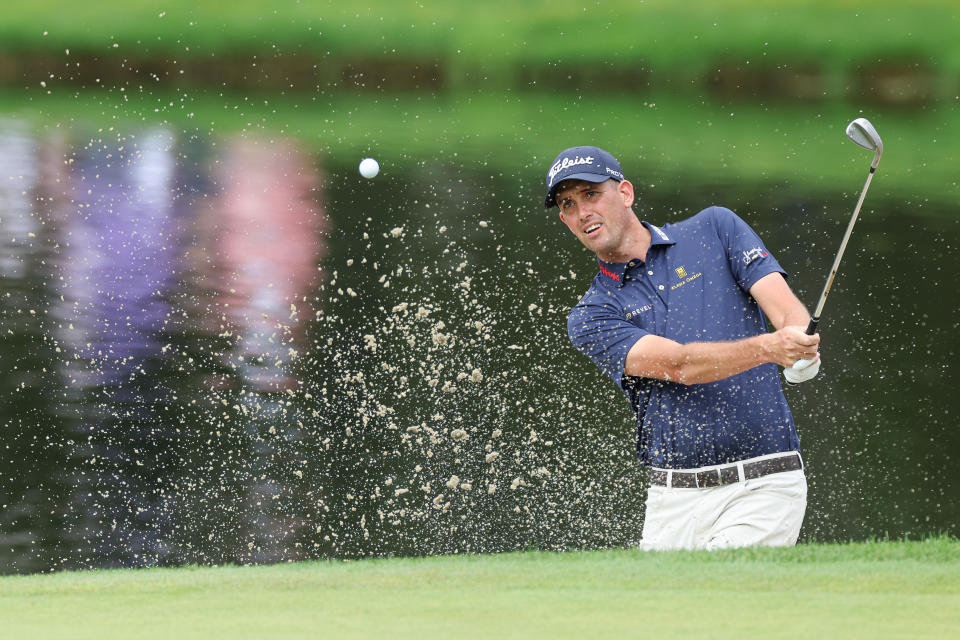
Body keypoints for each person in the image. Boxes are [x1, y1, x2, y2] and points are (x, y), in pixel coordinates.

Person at [545, 145, 821, 551]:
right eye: (568, 204)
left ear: (625, 193)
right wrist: (770, 348)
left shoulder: (714, 229)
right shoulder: (591, 315)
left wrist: (799, 345)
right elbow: (678, 366)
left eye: (591, 194)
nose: (581, 211)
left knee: (719, 589)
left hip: (764, 481)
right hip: (671, 499)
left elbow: (784, 312)